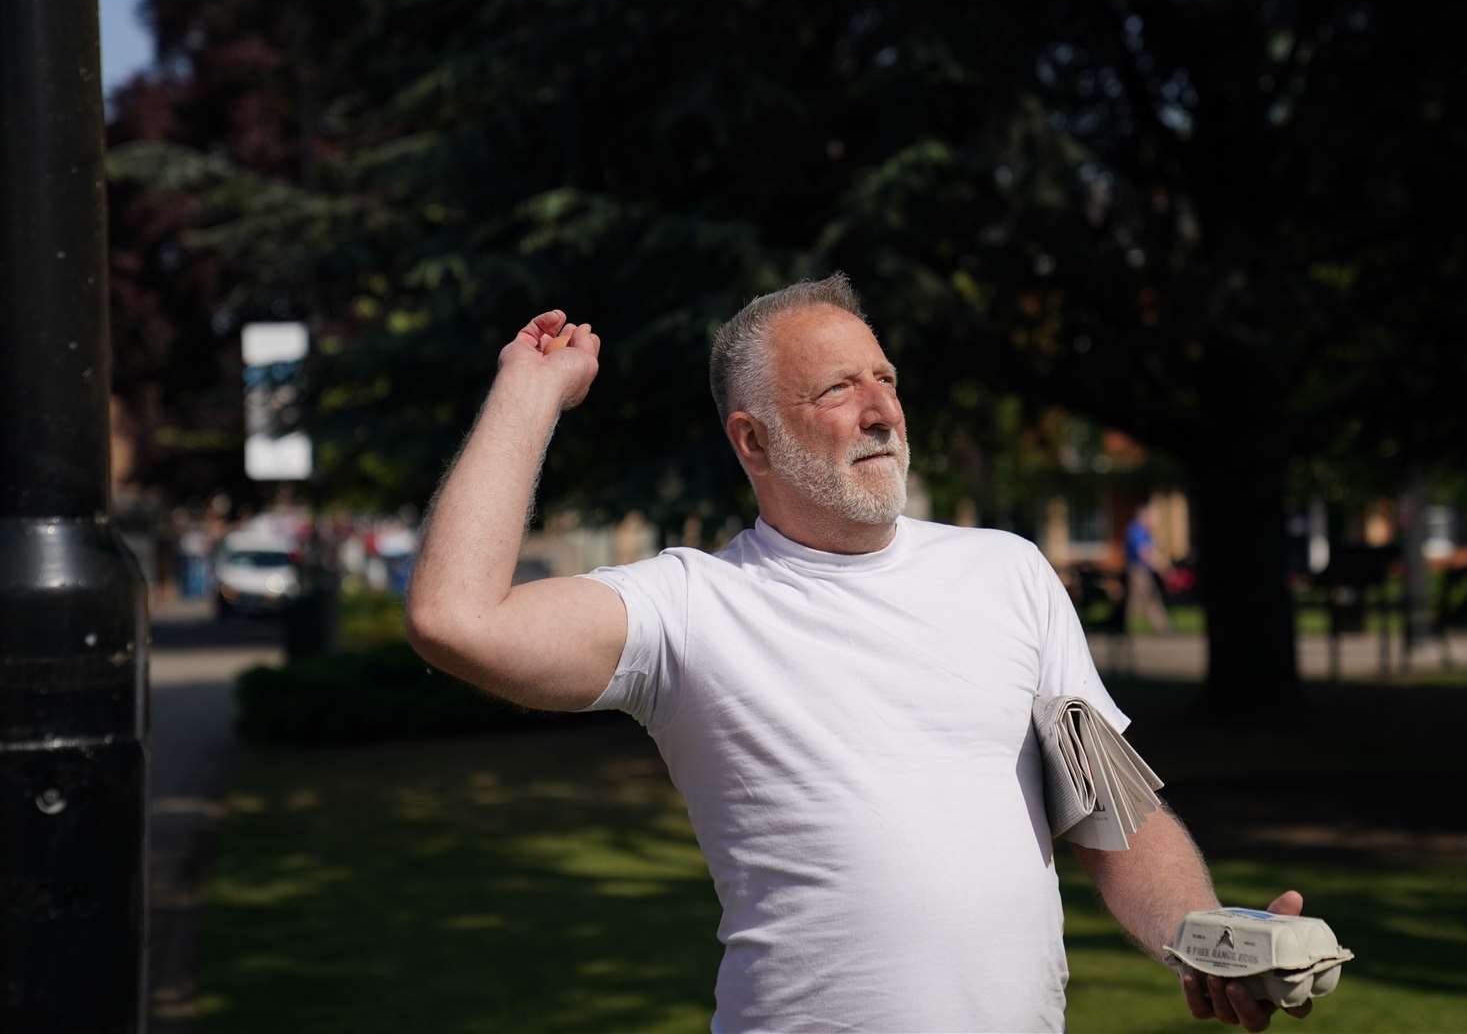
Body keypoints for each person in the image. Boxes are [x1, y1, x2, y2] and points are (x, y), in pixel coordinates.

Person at [405, 274, 1311, 1033]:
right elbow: (457, 619)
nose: (882, 411)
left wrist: (1202, 933)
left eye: (885, 378)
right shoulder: (689, 608)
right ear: (753, 439)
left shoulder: (1009, 574)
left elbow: (1110, 815)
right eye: (836, 390)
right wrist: (528, 394)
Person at [1125, 501, 1173, 633]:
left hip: (1143, 571)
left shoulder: (1145, 532)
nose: (1157, 522)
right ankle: (1163, 628)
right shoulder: (1137, 531)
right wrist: (1163, 568)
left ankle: (1125, 627)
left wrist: (1162, 563)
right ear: (1147, 516)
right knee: (1149, 598)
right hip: (1138, 571)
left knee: (1138, 601)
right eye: (1155, 518)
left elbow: (1153, 551)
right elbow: (1145, 553)